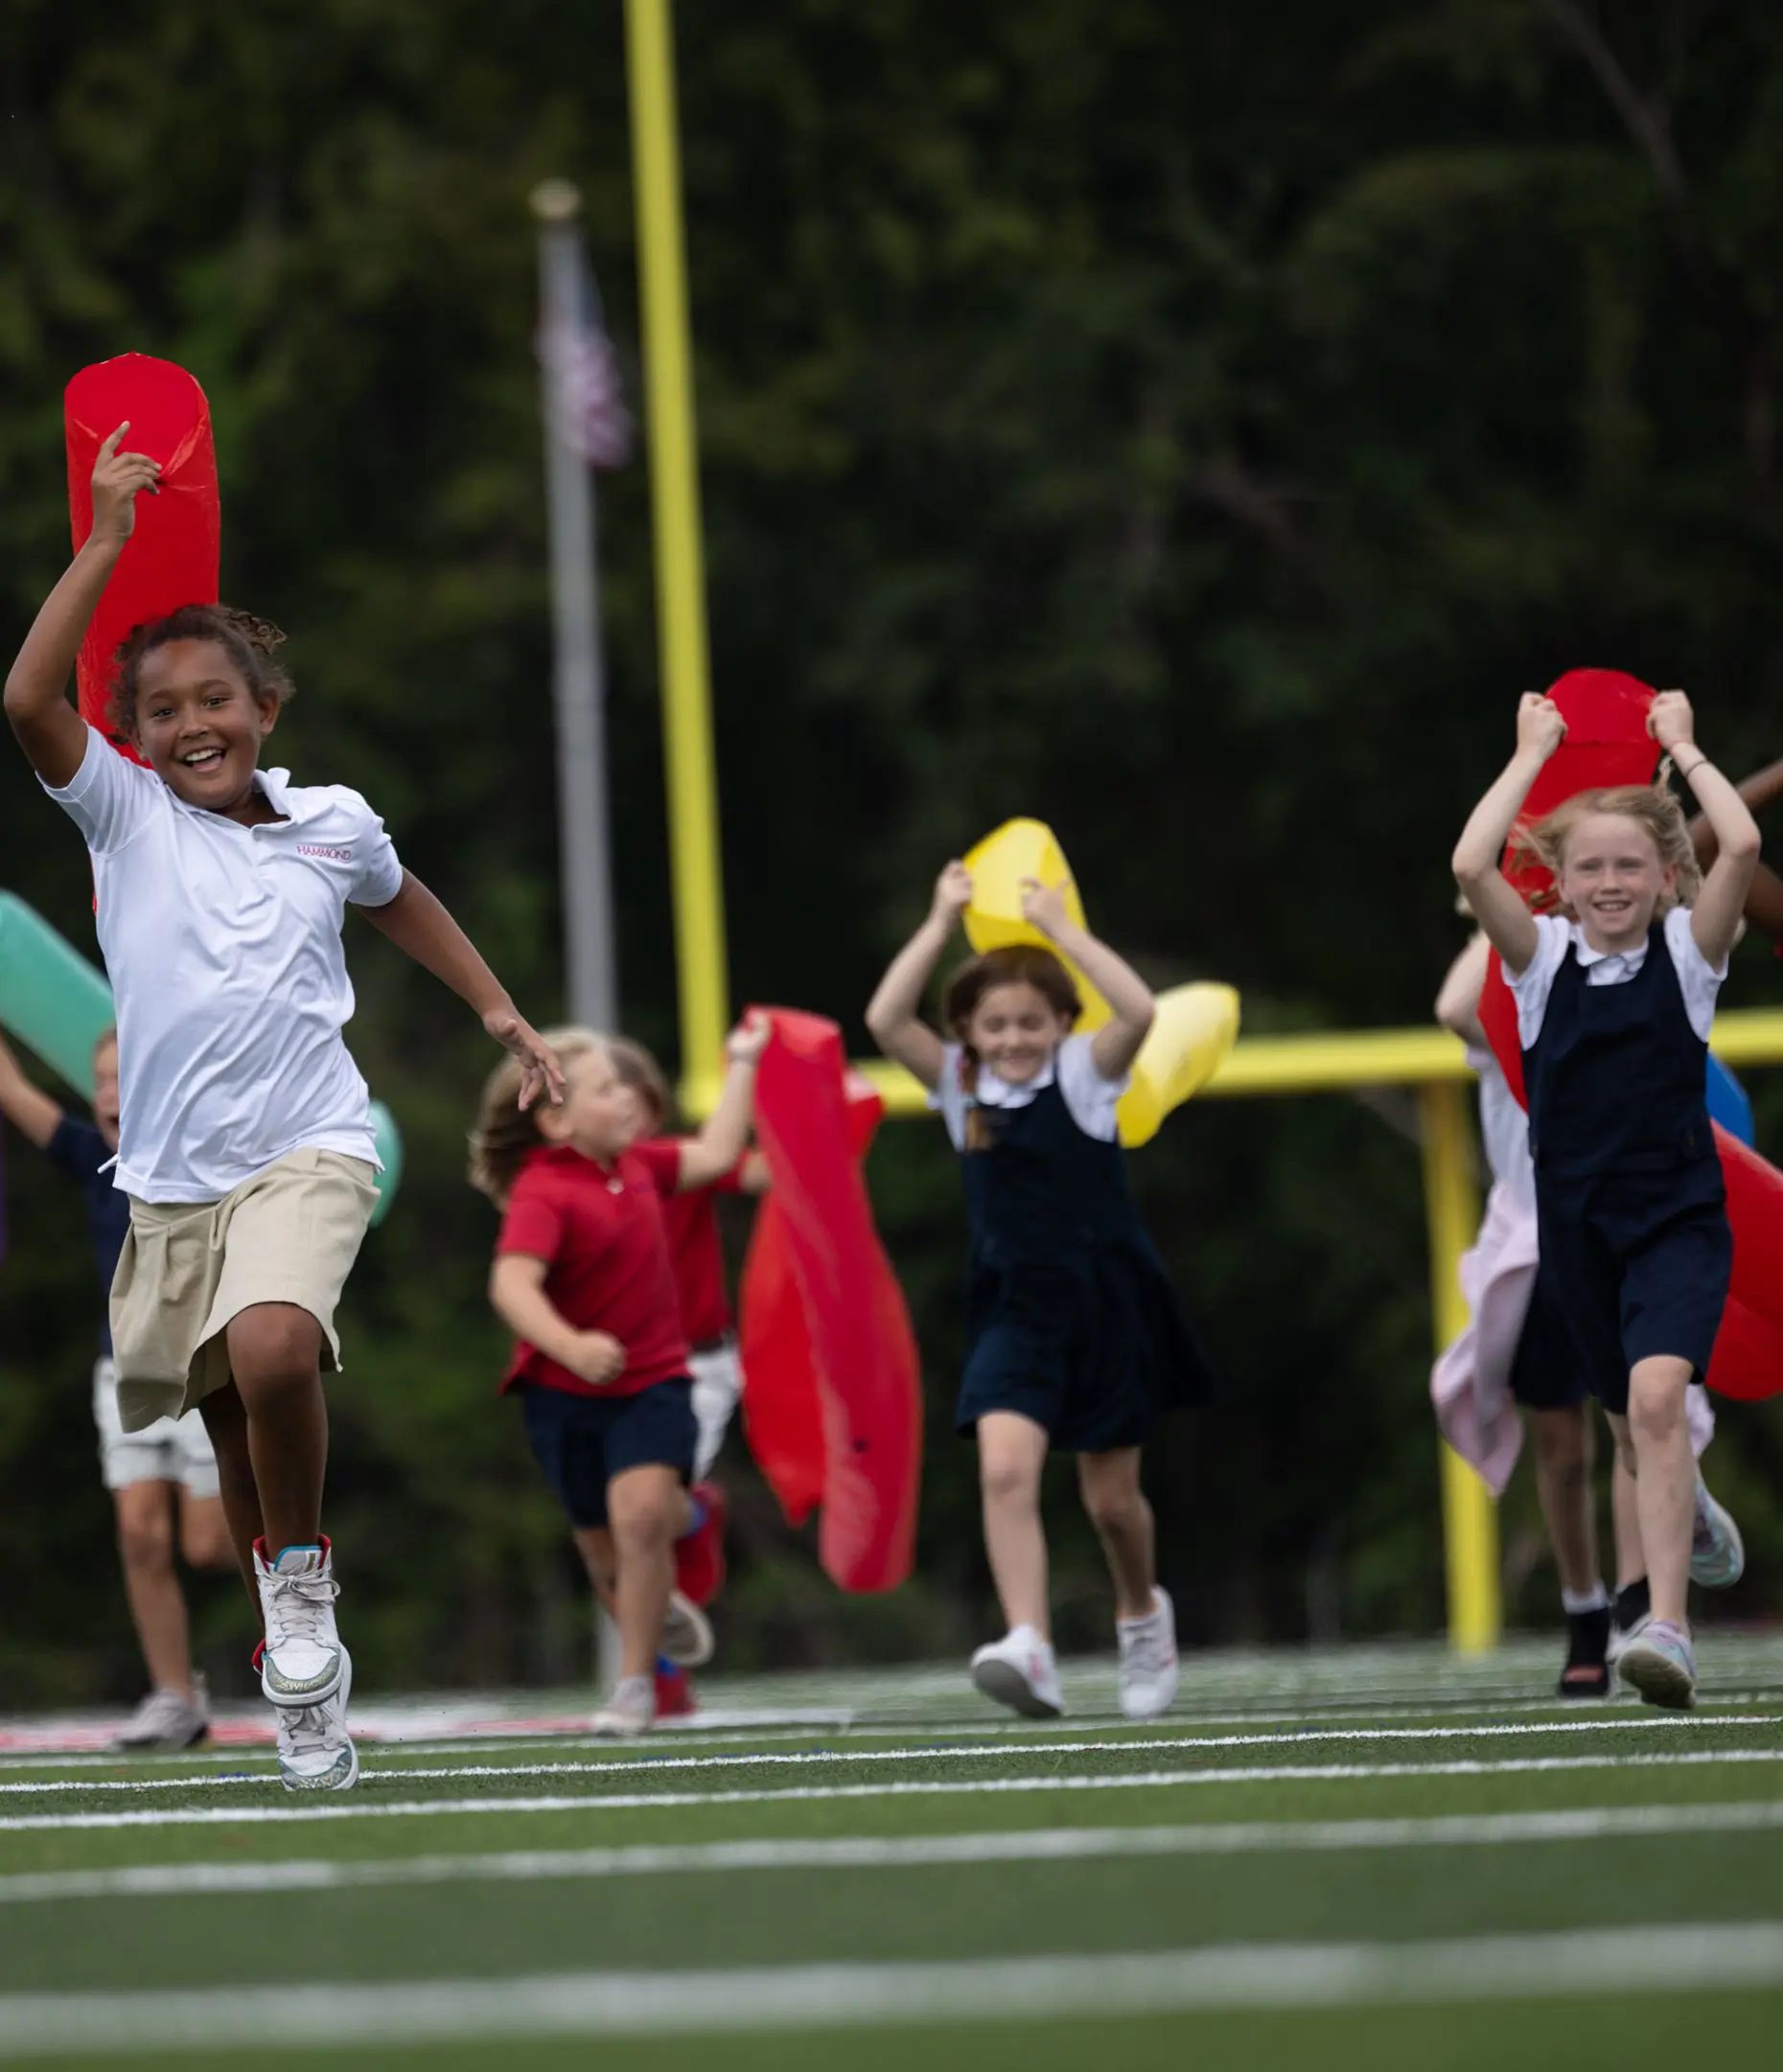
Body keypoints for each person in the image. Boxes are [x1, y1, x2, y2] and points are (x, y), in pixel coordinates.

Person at [5, 423, 563, 1790]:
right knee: (233, 1433)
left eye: (218, 699)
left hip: (311, 1144)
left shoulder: (334, 821)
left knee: (272, 1351)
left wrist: (497, 1010)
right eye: (164, 710)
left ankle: (302, 1582)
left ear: (267, 708)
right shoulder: (127, 819)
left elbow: (403, 899)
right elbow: (26, 700)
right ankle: (292, 1646)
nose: (194, 722)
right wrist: (105, 544)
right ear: (131, 739)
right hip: (173, 1182)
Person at [1452, 689, 1759, 1708]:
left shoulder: (1688, 954)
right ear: (1562, 884)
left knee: (1660, 1398)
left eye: (1631, 863)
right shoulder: (1537, 964)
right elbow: (1468, 865)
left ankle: (1664, 1625)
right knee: (1629, 1420)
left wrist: (1684, 747)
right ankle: (1699, 1514)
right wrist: (1531, 750)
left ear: (1667, 875)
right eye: (1590, 865)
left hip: (1675, 1216)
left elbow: (1746, 842)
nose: (1612, 880)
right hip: (1575, 1228)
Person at [867, 863, 1207, 1721]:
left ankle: (1142, 1617)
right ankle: (1032, 1644)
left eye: (1030, 1022)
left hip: (1106, 1305)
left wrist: (1060, 930)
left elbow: (1139, 1010)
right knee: (1005, 1471)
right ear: (969, 1035)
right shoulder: (961, 1086)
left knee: (1112, 1502)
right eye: (994, 1025)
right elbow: (882, 1018)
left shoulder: (1088, 1076)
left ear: (1060, 1022)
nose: (1013, 1038)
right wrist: (941, 916)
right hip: (1013, 1311)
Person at [1432, 932, 1744, 1698]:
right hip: (1545, 1239)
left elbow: (1716, 908)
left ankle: (1646, 1604)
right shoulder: (1525, 974)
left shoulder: (1653, 960)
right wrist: (1524, 894)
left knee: (1648, 1410)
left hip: (1640, 1222)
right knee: (1569, 1442)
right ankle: (1585, 1606)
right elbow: (1453, 1007)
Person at [470, 1017, 769, 1737]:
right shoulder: (544, 1191)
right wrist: (569, 1346)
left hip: (656, 1382)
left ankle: (635, 1683)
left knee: (640, 1521)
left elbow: (724, 1150)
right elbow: (512, 1288)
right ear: (555, 1117)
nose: (630, 1099)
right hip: (562, 1396)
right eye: (608, 1090)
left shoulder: (647, 1167)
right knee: (603, 1553)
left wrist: (746, 1062)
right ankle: (650, 1599)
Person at [0, 1025, 236, 1748]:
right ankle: (173, 1697)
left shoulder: (203, 1158)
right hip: (125, 1371)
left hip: (203, 1369)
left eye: (123, 1080)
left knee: (207, 1548)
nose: (108, 1093)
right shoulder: (91, 1158)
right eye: (100, 1080)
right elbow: (12, 1090)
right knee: (139, 1533)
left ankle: (297, 1577)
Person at [609, 1037, 768, 1716]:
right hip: (611, 1372)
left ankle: (694, 1512)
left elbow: (755, 1171)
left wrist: (815, 1123)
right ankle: (662, 1670)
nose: (613, 1112)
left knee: (643, 1513)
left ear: (653, 1108)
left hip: (691, 1366)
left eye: (628, 1098)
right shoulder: (563, 1181)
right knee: (606, 1529)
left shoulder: (674, 1163)